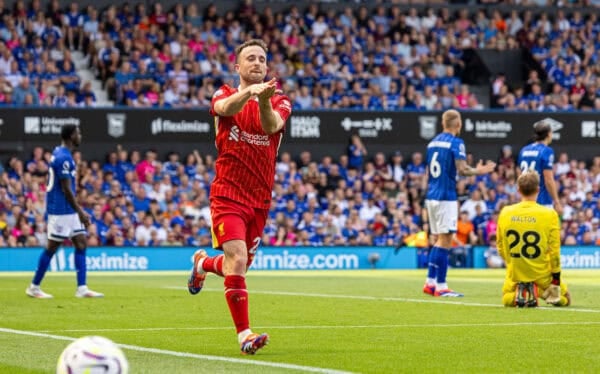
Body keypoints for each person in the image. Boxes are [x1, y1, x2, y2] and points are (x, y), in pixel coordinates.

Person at [186, 39, 292, 355]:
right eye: (251, 58)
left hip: (259, 199)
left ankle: (202, 263)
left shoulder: (280, 100)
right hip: (228, 194)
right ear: (238, 67)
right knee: (238, 257)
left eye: (262, 58)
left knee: (239, 266)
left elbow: (272, 125)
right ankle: (244, 335)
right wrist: (249, 93)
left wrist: (262, 99)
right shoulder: (224, 93)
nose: (257, 62)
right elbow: (223, 108)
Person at [423, 109, 496, 297]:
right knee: (445, 240)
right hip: (446, 196)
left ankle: (430, 282)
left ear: (443, 124)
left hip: (432, 195)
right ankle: (442, 286)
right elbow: (462, 170)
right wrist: (480, 171)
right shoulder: (456, 142)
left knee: (439, 239)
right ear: (458, 124)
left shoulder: (432, 143)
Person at [26, 125, 103, 299]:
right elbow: (66, 189)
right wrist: (81, 212)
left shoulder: (61, 153)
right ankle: (34, 287)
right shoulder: (63, 158)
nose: (80, 136)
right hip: (60, 210)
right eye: (78, 133)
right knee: (52, 248)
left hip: (68, 210)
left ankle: (82, 288)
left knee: (81, 243)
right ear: (71, 136)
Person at [496, 171, 571, 307]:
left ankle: (523, 294)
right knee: (566, 299)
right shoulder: (549, 214)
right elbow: (555, 251)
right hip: (541, 273)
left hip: (516, 272)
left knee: (506, 297)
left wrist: (511, 263)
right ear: (538, 189)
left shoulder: (505, 212)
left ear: (518, 190)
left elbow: (500, 245)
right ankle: (537, 292)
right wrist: (555, 278)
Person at [517, 120, 562, 216]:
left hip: (526, 201)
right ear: (549, 134)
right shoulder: (546, 151)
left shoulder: (524, 150)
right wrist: (557, 201)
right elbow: (548, 180)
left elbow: (519, 175)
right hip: (542, 200)